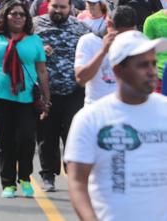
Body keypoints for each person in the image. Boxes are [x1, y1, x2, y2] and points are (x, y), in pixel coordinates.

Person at [65, 31, 167, 221]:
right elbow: (77, 180)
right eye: (143, 65)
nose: (152, 71)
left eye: (153, 63)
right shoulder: (90, 118)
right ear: (118, 70)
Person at [0, 0, 51, 198]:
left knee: (26, 139)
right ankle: (8, 183)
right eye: (13, 13)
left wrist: (46, 97)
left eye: (22, 14)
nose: (18, 17)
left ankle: (25, 177)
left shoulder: (34, 40)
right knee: (6, 142)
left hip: (27, 99)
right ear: (5, 16)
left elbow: (42, 71)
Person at [33, 0, 89, 192]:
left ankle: (73, 174)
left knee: (73, 136)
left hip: (74, 91)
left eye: (62, 7)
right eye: (54, 6)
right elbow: (23, 48)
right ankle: (48, 175)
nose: (58, 10)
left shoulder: (81, 28)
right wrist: (39, 49)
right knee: (46, 136)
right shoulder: (35, 25)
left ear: (70, 8)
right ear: (48, 5)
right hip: (45, 92)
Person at [75, 6, 138, 107]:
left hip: (127, 109)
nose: (126, 39)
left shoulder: (136, 41)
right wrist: (103, 51)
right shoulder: (88, 41)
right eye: (121, 35)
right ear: (109, 24)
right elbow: (81, 79)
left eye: (129, 35)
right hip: (96, 108)